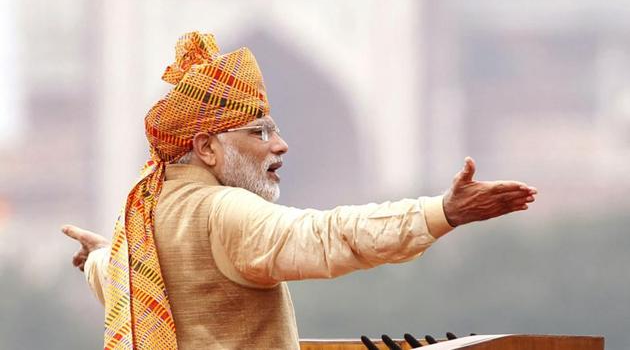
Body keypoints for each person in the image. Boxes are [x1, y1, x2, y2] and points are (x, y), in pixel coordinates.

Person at [62, 31, 537, 350]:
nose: (281, 145)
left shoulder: (143, 222)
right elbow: (331, 235)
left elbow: (122, 275)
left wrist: (103, 255)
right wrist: (441, 212)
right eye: (260, 133)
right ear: (206, 148)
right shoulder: (227, 212)